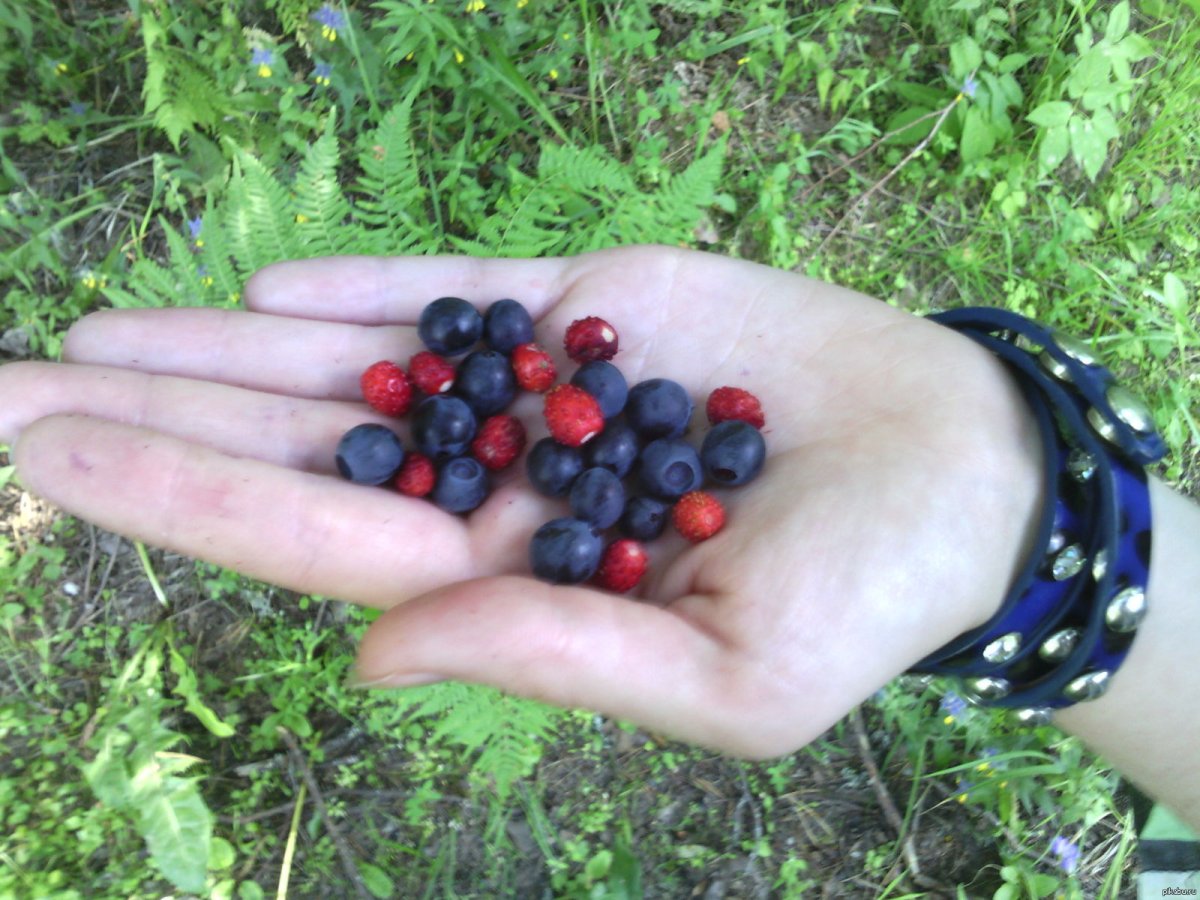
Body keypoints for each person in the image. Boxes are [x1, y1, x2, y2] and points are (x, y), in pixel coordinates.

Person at [1, 245, 1196, 833]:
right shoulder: (525, 420)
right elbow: (528, 431)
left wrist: (1020, 513)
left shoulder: (607, 456)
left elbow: (597, 454)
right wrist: (1038, 502)